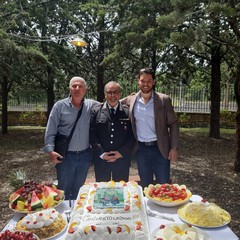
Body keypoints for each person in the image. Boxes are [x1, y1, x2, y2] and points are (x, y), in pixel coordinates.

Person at [121, 68, 179, 189]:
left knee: (163, 186)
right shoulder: (132, 100)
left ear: (154, 82)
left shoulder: (163, 100)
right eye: (143, 81)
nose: (145, 84)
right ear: (138, 82)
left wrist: (174, 148)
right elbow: (114, 102)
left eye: (149, 81)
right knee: (146, 187)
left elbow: (173, 124)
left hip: (160, 149)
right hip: (141, 150)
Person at [42, 76, 99, 200]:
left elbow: (111, 103)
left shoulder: (91, 105)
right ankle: (64, 217)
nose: (77, 88)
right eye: (74, 86)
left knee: (79, 190)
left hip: (85, 156)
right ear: (70, 89)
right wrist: (50, 150)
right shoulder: (59, 106)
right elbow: (50, 130)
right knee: (63, 190)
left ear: (85, 89)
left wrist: (133, 97)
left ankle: (75, 217)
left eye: (80, 86)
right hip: (66, 156)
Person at [90, 81, 135, 182]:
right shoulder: (96, 111)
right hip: (101, 160)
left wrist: (121, 153)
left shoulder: (128, 112)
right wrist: (102, 154)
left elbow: (132, 137)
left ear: (120, 94)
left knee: (121, 192)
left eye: (116, 92)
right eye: (109, 92)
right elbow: (92, 136)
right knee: (102, 192)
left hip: (122, 160)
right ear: (105, 94)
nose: (112, 95)